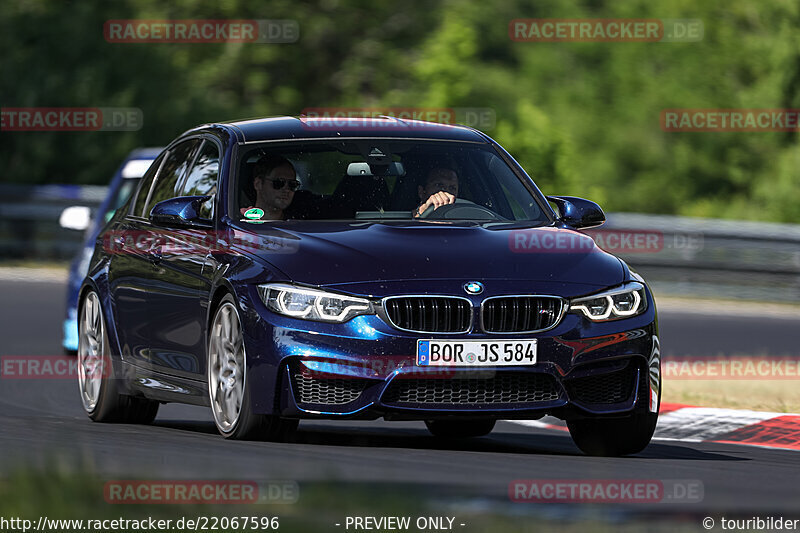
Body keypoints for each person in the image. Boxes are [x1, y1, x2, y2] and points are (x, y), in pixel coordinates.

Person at [241, 155, 300, 220]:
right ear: (258, 184)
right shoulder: (237, 223)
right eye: (278, 183)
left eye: (292, 184)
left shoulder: (300, 225)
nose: (286, 189)